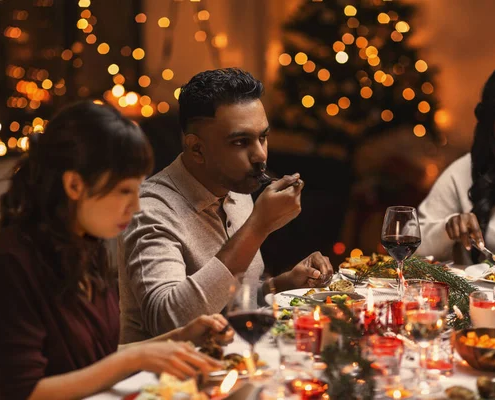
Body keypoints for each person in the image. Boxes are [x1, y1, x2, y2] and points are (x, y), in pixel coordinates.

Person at [0, 101, 230, 400]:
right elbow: (21, 392)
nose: (135, 207)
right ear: (74, 185)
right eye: (124, 191)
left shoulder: (84, 244)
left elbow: (95, 359)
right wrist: (135, 360)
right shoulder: (11, 264)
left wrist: (179, 337)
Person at [119, 68, 334, 342]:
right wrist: (258, 227)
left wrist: (280, 284)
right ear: (196, 148)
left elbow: (225, 303)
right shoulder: (150, 209)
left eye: (263, 137)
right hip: (163, 379)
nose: (260, 155)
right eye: (241, 141)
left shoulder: (235, 186)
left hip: (232, 361)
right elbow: (169, 322)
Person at [417, 58, 495, 264]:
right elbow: (415, 251)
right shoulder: (464, 171)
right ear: (491, 126)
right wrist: (448, 229)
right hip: (480, 296)